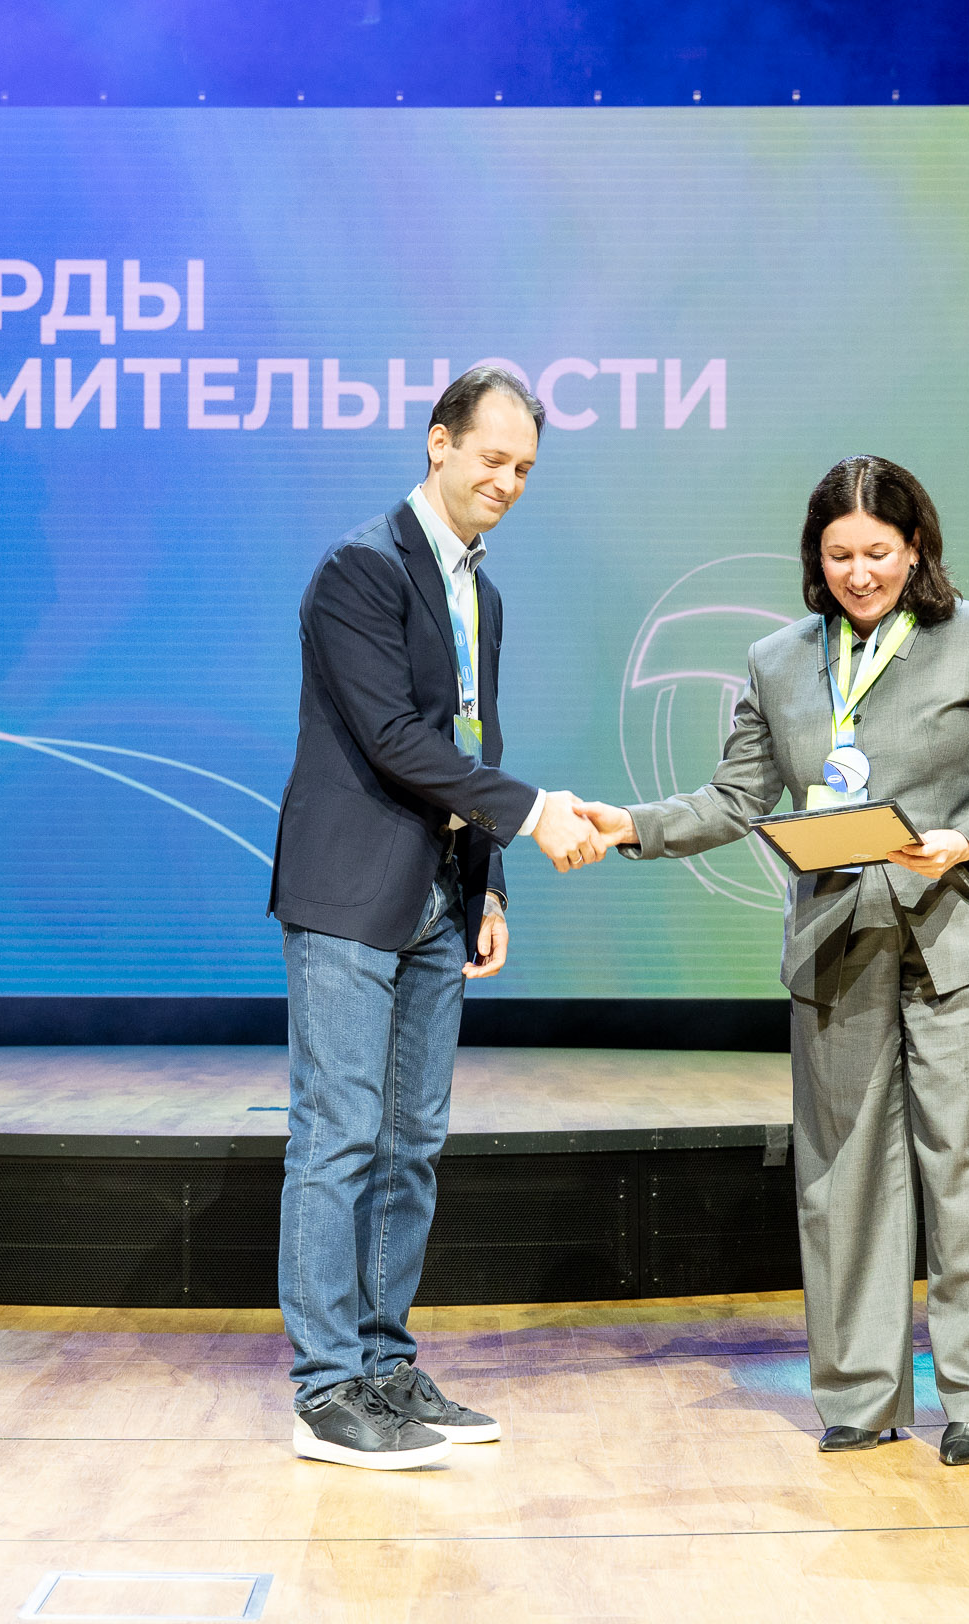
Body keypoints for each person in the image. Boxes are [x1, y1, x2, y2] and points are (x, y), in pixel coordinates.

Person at [579, 456, 969, 1467]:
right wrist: (632, 825)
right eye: (839, 555)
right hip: (839, 941)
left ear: (915, 548)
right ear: (816, 557)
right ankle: (859, 1395)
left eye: (877, 552)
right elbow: (733, 798)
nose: (858, 573)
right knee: (843, 1178)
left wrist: (963, 841)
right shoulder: (778, 660)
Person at [269, 366, 612, 1470]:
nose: (506, 481)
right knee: (339, 1137)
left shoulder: (480, 589)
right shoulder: (361, 568)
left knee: (411, 1144)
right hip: (349, 890)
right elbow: (394, 741)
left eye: (524, 468)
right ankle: (326, 1389)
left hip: (435, 895)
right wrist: (537, 813)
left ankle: (383, 1365)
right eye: (491, 458)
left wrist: (489, 882)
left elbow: (472, 741)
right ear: (438, 442)